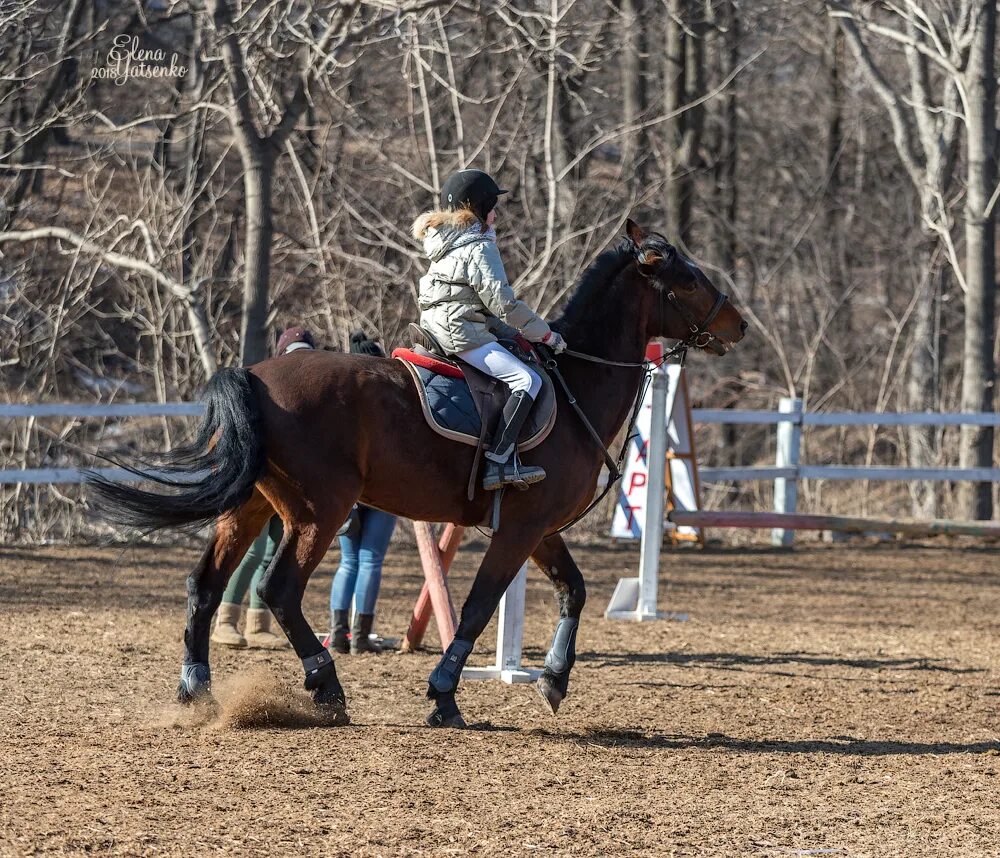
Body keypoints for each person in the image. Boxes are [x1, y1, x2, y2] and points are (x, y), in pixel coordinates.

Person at [411, 168, 567, 491]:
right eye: (493, 206)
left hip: (439, 328)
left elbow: (476, 305)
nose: (496, 214)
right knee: (528, 379)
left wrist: (516, 335)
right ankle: (498, 462)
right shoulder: (479, 248)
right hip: (461, 334)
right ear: (479, 208)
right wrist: (546, 334)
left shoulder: (447, 244)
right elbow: (504, 304)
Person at [211, 326, 315, 650]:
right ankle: (224, 621)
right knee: (249, 550)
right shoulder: (269, 384)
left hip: (290, 484)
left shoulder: (314, 390)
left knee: (273, 551)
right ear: (282, 353)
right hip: (254, 476)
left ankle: (258, 624)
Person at [325, 331, 398, 654]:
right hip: (382, 487)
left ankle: (339, 635)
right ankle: (361, 635)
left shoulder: (338, 400)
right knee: (370, 561)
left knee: (348, 561)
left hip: (348, 492)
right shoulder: (391, 398)